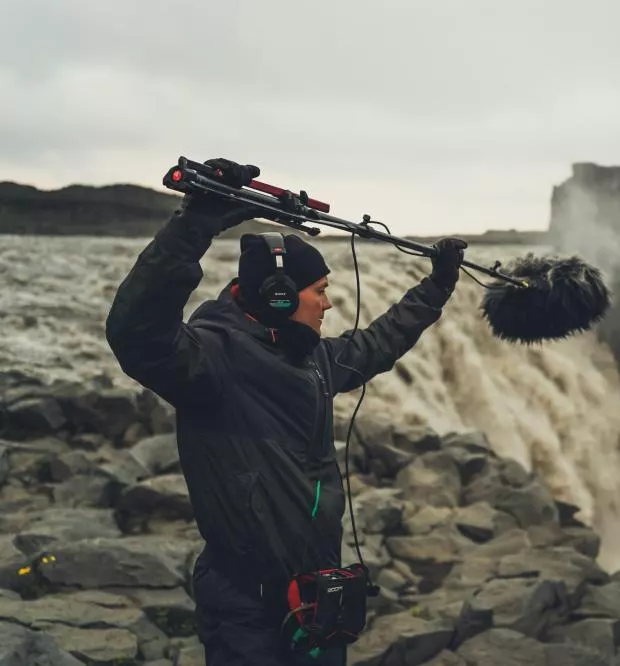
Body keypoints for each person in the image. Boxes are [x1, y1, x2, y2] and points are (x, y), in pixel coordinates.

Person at [104, 159, 467, 665]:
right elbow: (135, 333)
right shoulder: (210, 361)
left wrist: (436, 289)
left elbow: (376, 346)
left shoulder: (310, 354)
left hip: (319, 594)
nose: (329, 304)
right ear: (278, 298)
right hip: (246, 608)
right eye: (319, 292)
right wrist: (194, 224)